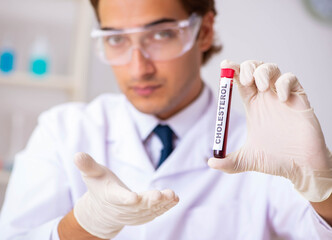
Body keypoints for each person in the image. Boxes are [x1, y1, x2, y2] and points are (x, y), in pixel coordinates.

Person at [0, 0, 332, 239]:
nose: (138, 67)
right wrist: (85, 226)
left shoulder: (264, 148)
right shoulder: (63, 131)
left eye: (160, 35)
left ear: (204, 31)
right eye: (116, 39)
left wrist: (324, 189)